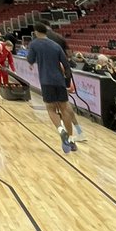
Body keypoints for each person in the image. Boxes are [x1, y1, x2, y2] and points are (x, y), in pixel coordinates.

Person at [27, 22, 78, 153]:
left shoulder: (34, 44)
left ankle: (61, 130)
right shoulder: (56, 45)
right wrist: (67, 80)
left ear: (36, 32)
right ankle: (72, 139)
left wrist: (32, 61)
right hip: (59, 81)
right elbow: (66, 64)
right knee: (65, 108)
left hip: (46, 81)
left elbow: (30, 59)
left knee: (51, 109)